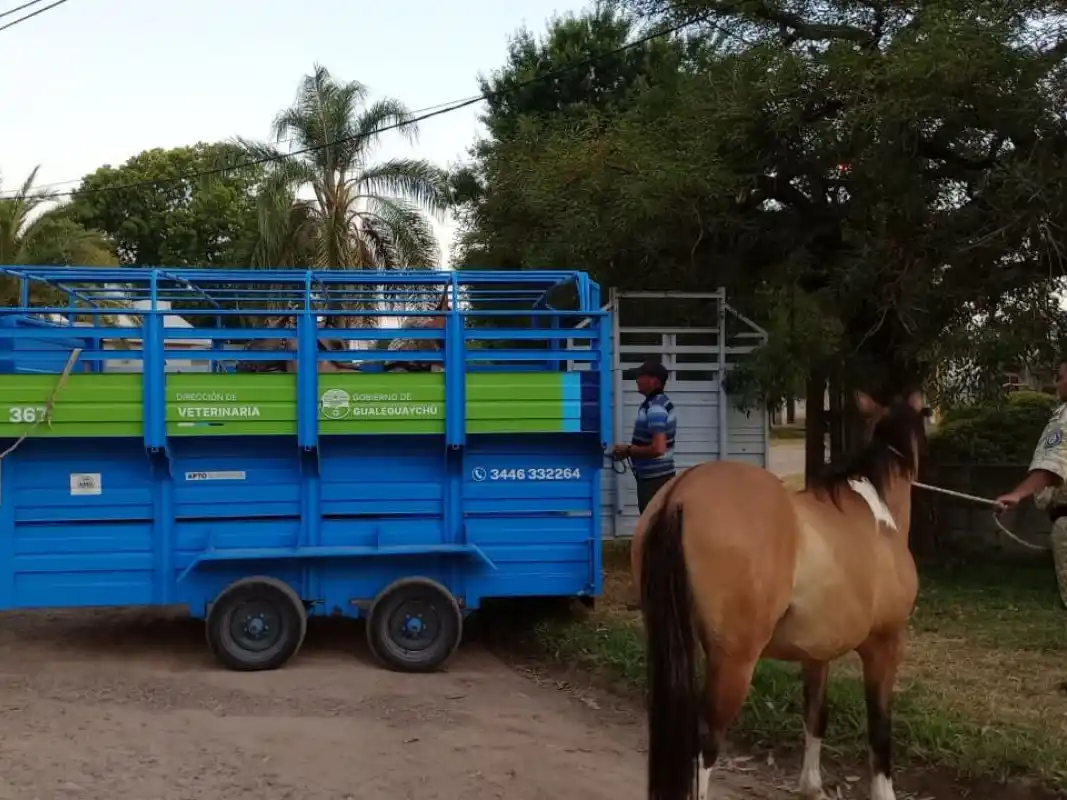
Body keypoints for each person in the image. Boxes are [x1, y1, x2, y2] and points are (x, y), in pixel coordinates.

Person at [995, 357, 1067, 606]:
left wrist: (1017, 495)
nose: (1057, 383)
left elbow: (1051, 467)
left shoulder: (1065, 419)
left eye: (1060, 377)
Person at [612, 359, 677, 515]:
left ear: (654, 381)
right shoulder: (660, 403)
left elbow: (658, 448)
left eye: (641, 376)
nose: (637, 380)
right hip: (658, 478)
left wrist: (628, 450)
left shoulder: (656, 408)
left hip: (655, 482)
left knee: (652, 527)